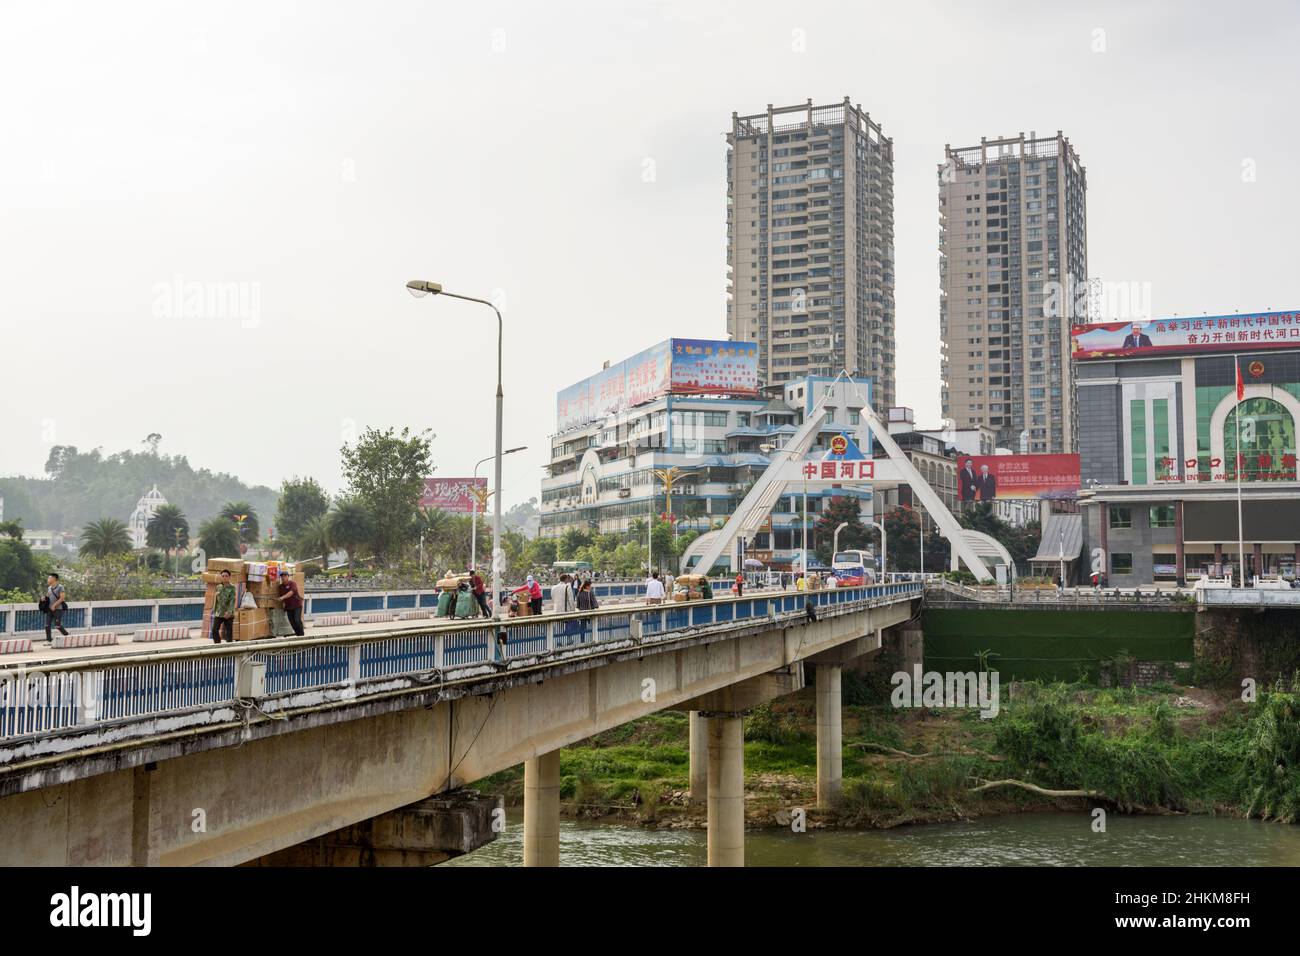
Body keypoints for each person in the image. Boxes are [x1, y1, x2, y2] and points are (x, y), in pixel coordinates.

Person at [42, 572, 69, 644]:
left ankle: (67, 636)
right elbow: (47, 596)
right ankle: (48, 640)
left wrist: (54, 605)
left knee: (58, 625)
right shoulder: (49, 588)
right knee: (47, 625)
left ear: (54, 579)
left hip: (58, 609)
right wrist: (44, 598)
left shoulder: (60, 587)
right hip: (50, 609)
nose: (48, 579)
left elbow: (62, 598)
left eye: (49, 578)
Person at [210, 569, 236, 644]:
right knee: (214, 630)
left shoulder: (232, 588)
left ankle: (229, 650)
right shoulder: (218, 587)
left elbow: (232, 600)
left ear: (229, 577)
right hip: (219, 612)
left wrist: (229, 612)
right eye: (223, 576)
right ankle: (218, 646)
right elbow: (216, 600)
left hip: (228, 614)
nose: (224, 577)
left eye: (226, 576)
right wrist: (214, 610)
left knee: (228, 633)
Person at [277, 572, 305, 637]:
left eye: (285, 576)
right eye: (282, 576)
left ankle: (302, 635)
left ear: (288, 577)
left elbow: (291, 593)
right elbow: (282, 596)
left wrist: (282, 597)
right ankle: (298, 635)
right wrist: (283, 603)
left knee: (297, 620)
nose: (283, 577)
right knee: (292, 623)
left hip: (297, 605)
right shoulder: (280, 587)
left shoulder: (292, 584)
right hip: (289, 607)